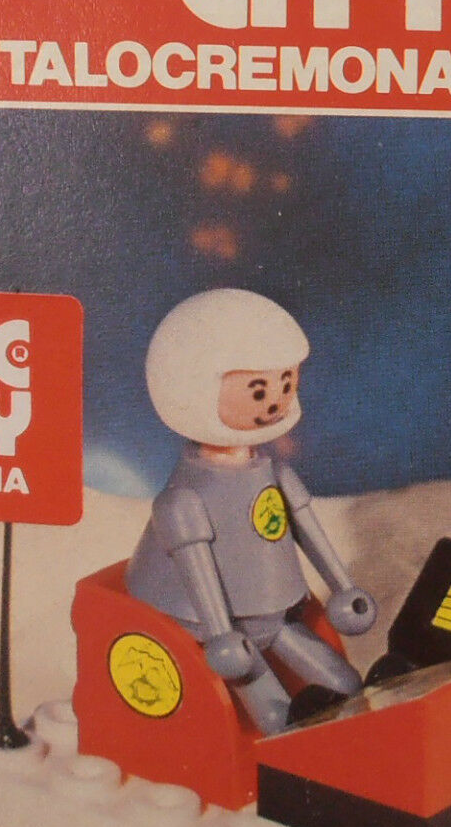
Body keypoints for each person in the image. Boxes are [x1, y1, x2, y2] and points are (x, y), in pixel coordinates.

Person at [125, 288, 376, 733]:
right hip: (211, 628)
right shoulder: (184, 499)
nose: (277, 401)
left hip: (277, 616)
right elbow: (196, 564)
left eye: (286, 383)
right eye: (258, 391)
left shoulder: (272, 472)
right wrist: (221, 633)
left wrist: (343, 586)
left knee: (347, 685)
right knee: (277, 719)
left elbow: (304, 525)